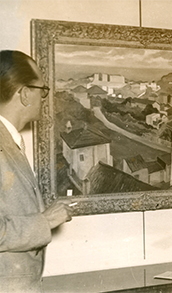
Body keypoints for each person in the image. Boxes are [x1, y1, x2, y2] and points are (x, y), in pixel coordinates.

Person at [0, 50, 73, 292]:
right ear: (24, 94)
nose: (44, 98)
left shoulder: (9, 140)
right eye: (42, 90)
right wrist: (46, 220)